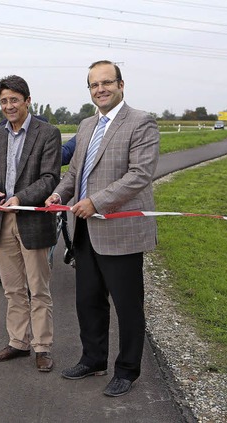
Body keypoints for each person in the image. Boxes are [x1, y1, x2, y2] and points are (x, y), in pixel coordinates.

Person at [45, 60, 160, 397]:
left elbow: (139, 175)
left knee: (127, 306)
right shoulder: (85, 125)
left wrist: (95, 202)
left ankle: (127, 370)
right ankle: (93, 359)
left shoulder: (141, 123)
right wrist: (58, 194)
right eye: (94, 85)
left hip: (120, 232)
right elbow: (74, 172)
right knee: (88, 301)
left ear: (121, 84)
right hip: (84, 232)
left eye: (106, 82)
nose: (100, 90)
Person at [0, 75, 61, 372]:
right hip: (2, 221)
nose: (8, 106)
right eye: (3, 101)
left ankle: (42, 346)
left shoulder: (48, 133)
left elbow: (49, 178)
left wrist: (19, 198)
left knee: (38, 289)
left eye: (14, 100)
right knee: (12, 289)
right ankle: (18, 342)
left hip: (31, 220)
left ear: (27, 101)